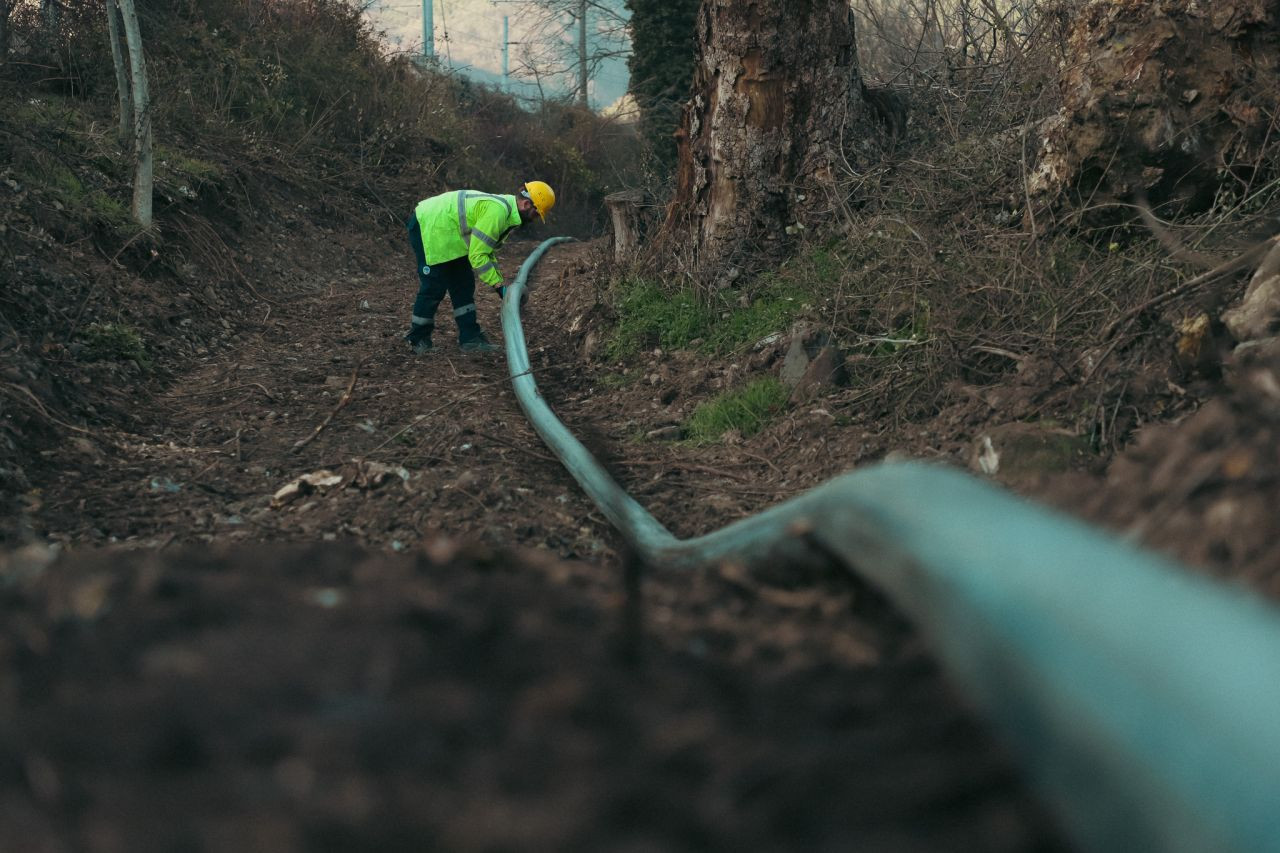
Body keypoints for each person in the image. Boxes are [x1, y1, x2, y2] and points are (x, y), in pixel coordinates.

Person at [403, 181, 555, 354]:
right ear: (527, 204)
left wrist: (500, 283)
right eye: (536, 214)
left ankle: (470, 338)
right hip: (428, 226)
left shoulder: (506, 213)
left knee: (463, 284)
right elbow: (478, 256)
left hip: (449, 235)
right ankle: (417, 339)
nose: (535, 220)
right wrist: (498, 286)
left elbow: (486, 251)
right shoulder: (497, 212)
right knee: (434, 285)